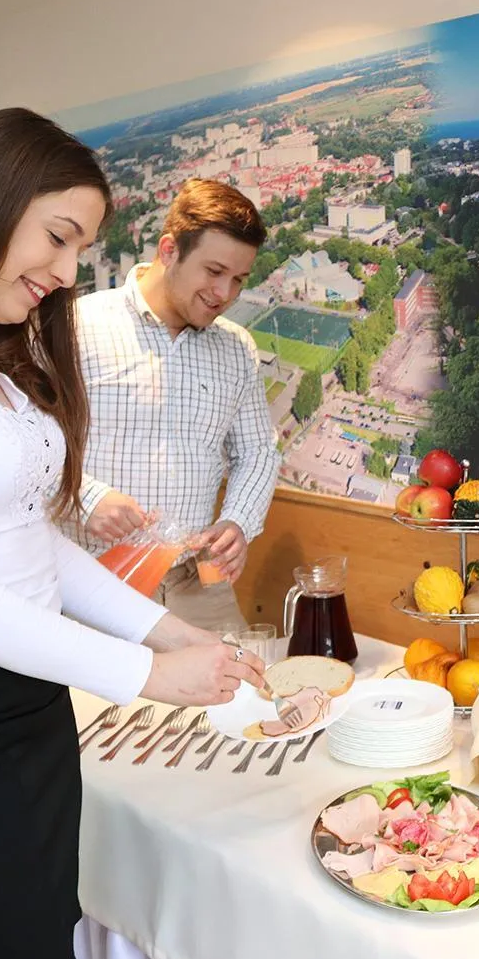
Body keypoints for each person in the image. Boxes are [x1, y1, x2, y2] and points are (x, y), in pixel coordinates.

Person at [0, 108, 266, 959]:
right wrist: (152, 676)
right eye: (59, 239)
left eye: (79, 250)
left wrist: (169, 631)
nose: (67, 274)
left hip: (25, 705)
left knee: (41, 938)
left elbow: (34, 545)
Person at [70, 178, 280, 630]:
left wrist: (238, 521)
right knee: (110, 704)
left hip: (199, 582)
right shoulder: (76, 327)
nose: (224, 293)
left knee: (240, 698)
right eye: (214, 271)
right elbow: (27, 444)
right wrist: (87, 498)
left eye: (239, 279)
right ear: (169, 250)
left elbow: (258, 452)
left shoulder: (237, 349)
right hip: (95, 579)